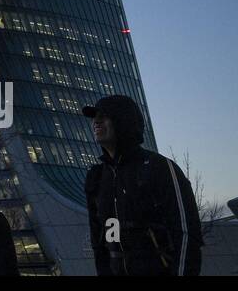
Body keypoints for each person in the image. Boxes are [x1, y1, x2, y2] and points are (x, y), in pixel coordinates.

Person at [83, 94, 202, 276]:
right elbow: (100, 242)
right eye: (94, 117)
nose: (96, 122)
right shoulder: (97, 178)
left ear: (123, 122)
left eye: (104, 116)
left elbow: (186, 234)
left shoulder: (160, 168)